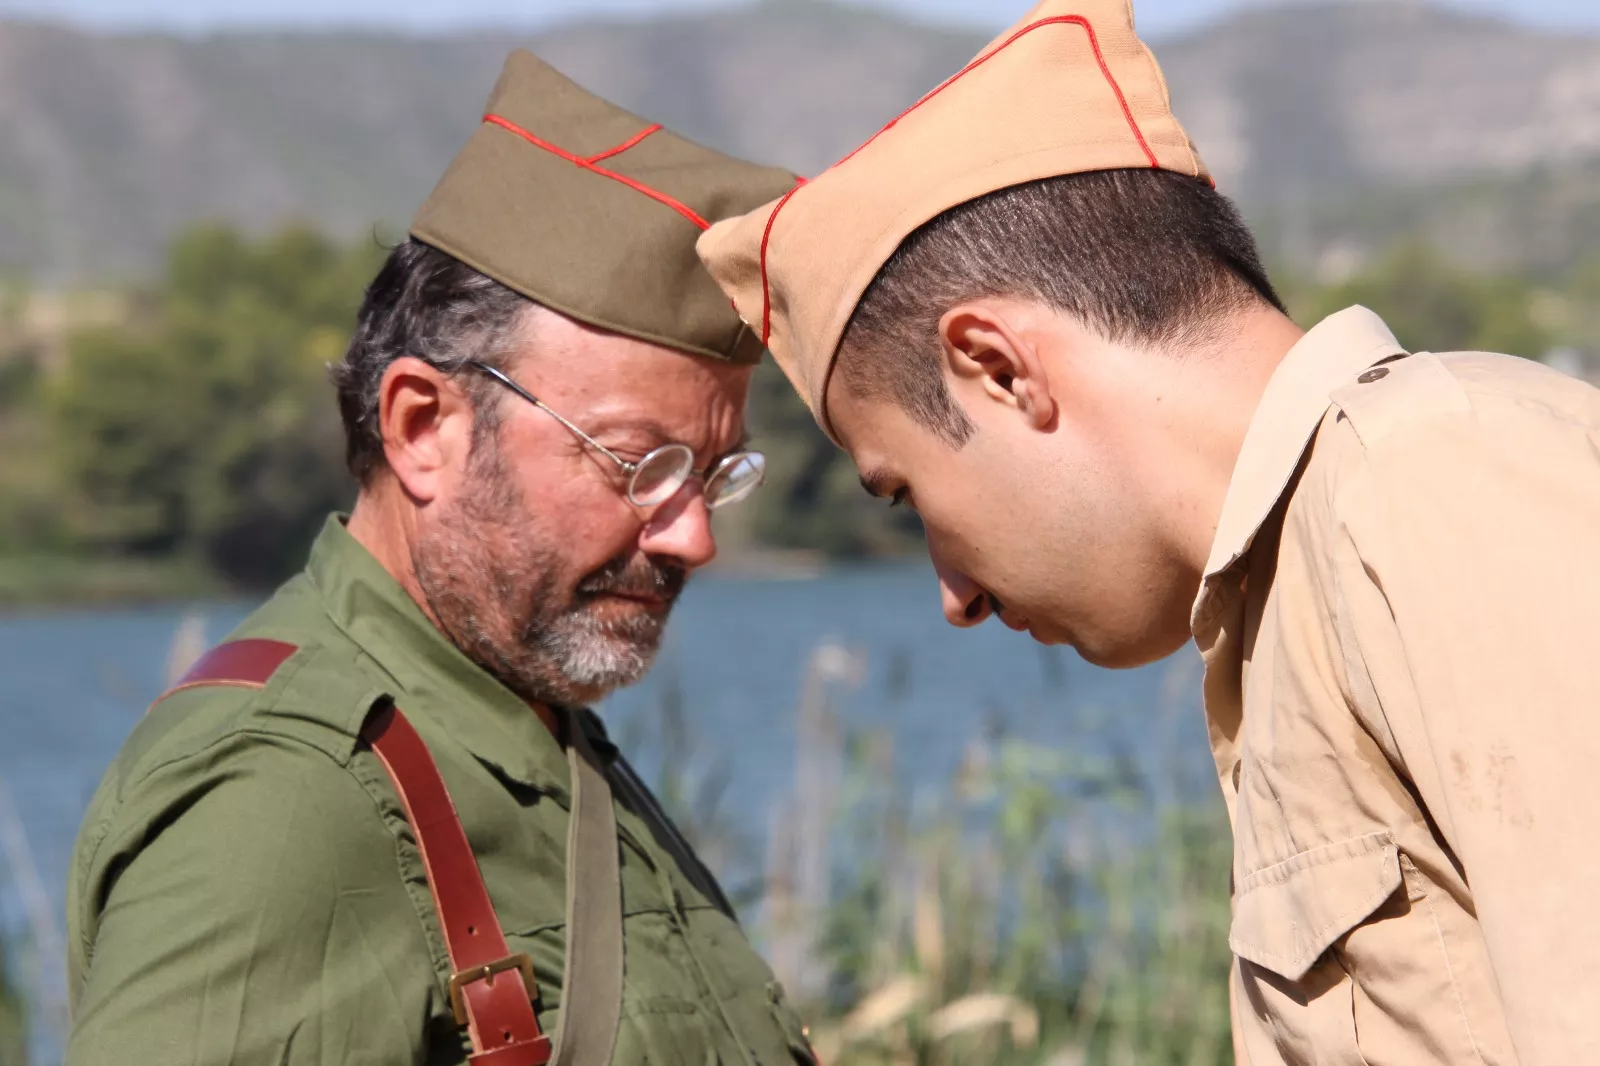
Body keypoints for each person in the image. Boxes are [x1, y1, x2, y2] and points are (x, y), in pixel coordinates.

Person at [696, 1, 1600, 1063]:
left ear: (997, 367)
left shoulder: (1428, 476)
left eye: (909, 496)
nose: (954, 594)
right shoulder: (1294, 587)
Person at [65, 52, 816, 1066]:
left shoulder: (528, 721)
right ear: (424, 428)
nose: (694, 535)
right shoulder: (282, 806)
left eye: (717, 474)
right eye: (638, 465)